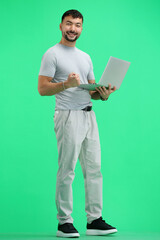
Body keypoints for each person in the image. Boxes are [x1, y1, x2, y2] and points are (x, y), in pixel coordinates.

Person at [38, 9, 117, 238]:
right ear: (61, 26)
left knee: (94, 169)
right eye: (69, 24)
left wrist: (102, 94)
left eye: (78, 25)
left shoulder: (85, 57)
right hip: (67, 115)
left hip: (89, 115)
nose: (73, 28)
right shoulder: (52, 54)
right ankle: (64, 222)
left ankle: (94, 220)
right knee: (67, 169)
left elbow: (91, 90)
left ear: (82, 28)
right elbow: (42, 88)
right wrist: (65, 84)